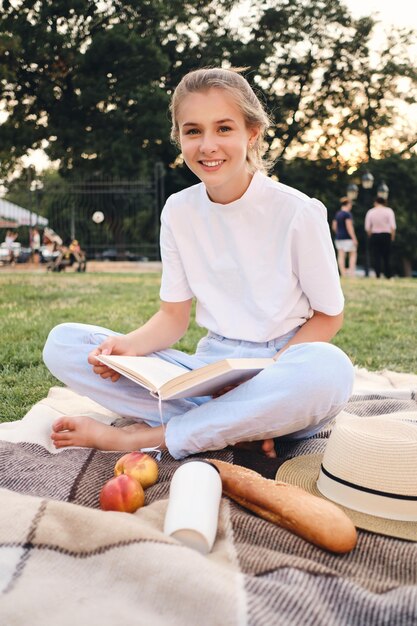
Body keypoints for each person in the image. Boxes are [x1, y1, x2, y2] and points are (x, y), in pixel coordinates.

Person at [43, 67, 355, 460]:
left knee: (330, 369)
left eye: (224, 128)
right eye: (193, 131)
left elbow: (329, 317)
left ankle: (145, 437)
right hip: (209, 370)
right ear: (179, 138)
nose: (208, 145)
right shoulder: (178, 210)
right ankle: (234, 427)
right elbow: (173, 318)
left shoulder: (298, 212)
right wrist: (124, 347)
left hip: (284, 366)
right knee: (64, 343)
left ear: (252, 133)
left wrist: (261, 379)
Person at [364, 196, 396, 278]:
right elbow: (393, 226)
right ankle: (388, 275)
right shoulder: (389, 211)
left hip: (375, 235)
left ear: (376, 202)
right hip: (386, 235)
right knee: (387, 256)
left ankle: (377, 274)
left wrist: (370, 235)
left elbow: (367, 227)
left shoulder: (371, 212)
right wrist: (392, 237)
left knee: (376, 256)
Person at [332, 197, 358, 277]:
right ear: (348, 204)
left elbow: (334, 226)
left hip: (339, 238)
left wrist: (338, 233)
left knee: (341, 256)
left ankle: (343, 273)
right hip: (347, 238)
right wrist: (354, 238)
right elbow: (349, 226)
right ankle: (351, 273)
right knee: (353, 254)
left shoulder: (338, 214)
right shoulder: (347, 214)